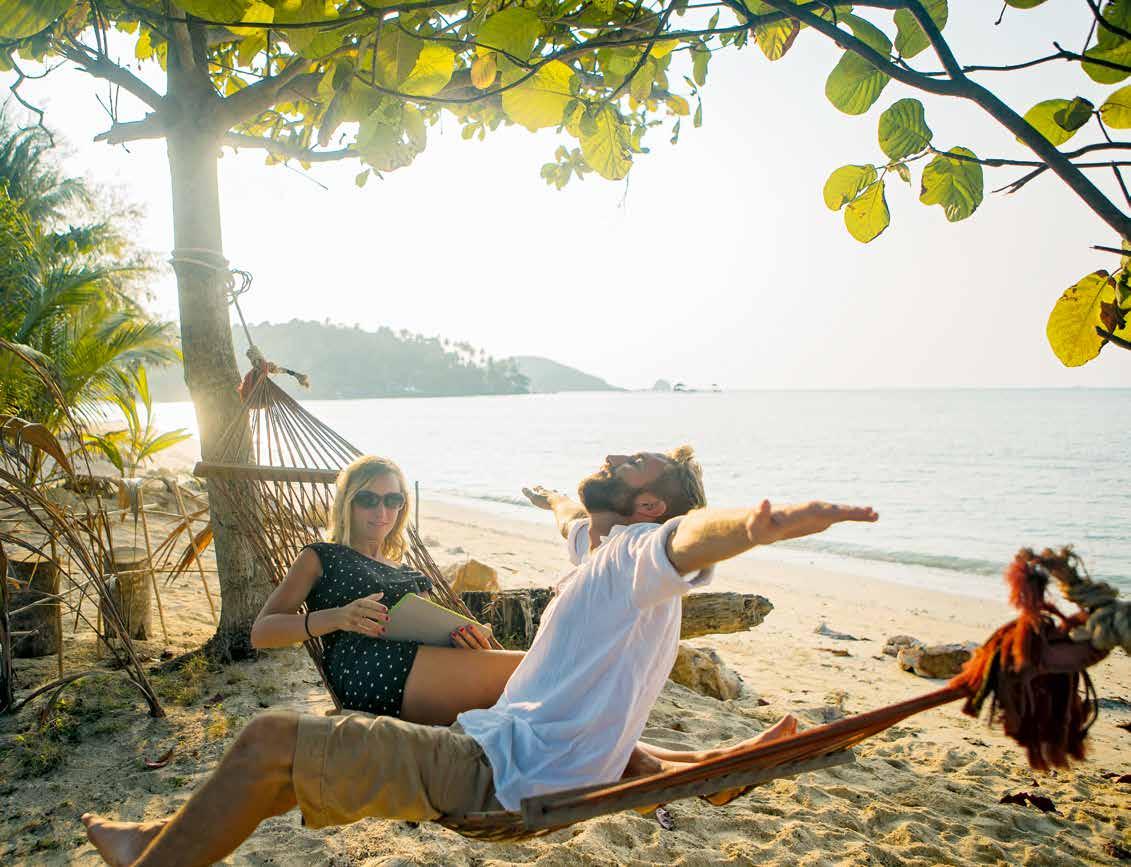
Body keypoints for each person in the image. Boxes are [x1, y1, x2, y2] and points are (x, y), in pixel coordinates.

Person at [82, 445, 878, 867]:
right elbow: (574, 520)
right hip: (491, 738)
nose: (383, 509)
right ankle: (716, 768)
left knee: (268, 741)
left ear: (645, 504)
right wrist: (551, 498)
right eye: (370, 497)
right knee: (284, 764)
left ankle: (147, 858)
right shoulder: (596, 552)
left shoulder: (632, 552)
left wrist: (755, 526)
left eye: (633, 463)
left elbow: (684, 536)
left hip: (500, 768)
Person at [250, 454, 522, 725]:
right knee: (528, 674)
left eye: (392, 500)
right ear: (347, 503)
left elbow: (429, 636)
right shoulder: (321, 557)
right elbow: (261, 633)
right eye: (368, 499)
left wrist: (463, 643)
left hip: (422, 669)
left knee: (529, 678)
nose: (381, 512)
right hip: (367, 671)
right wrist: (339, 617)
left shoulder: (412, 574)